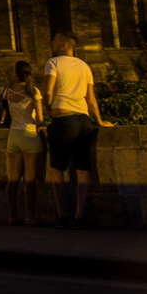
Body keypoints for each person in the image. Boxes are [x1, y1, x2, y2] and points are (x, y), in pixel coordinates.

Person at [41, 32, 110, 228]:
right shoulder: (84, 66)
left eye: (55, 40)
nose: (52, 42)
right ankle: (80, 215)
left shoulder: (53, 63)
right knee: (83, 169)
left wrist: (49, 109)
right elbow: (91, 98)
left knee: (57, 169)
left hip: (64, 120)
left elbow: (48, 91)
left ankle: (62, 215)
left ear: (64, 45)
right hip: (83, 121)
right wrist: (99, 120)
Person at [0, 60, 45, 225]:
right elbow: (40, 118)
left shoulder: (8, 90)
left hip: (13, 136)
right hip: (30, 135)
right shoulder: (33, 91)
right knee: (30, 180)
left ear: (16, 73)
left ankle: (12, 216)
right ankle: (30, 217)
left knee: (13, 179)